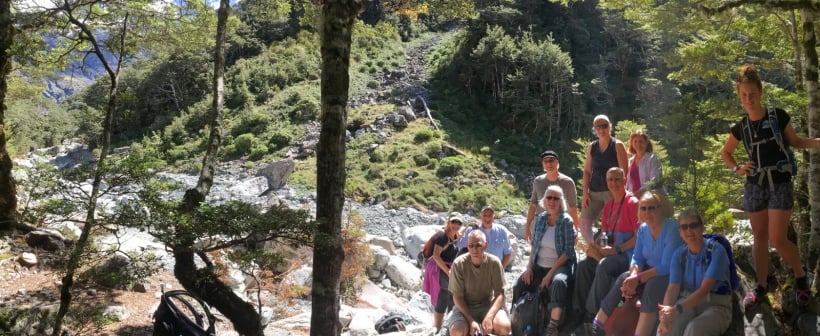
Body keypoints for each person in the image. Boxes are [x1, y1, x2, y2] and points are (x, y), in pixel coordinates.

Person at [719, 64, 820, 307]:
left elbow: (795, 141)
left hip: (780, 183)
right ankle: (761, 286)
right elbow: (726, 152)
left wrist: (817, 143)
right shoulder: (741, 127)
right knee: (759, 238)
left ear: (760, 92)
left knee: (777, 238)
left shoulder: (777, 116)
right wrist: (737, 169)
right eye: (743, 94)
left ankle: (800, 278)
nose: (748, 99)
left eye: (752, 93)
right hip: (754, 186)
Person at [585, 191, 684, 336]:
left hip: (669, 275)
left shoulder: (672, 228)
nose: (647, 212)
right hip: (646, 271)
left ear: (661, 208)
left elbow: (666, 266)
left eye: (652, 208)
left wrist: (638, 279)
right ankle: (597, 326)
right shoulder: (643, 229)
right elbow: (637, 258)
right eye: (643, 208)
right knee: (623, 278)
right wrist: (632, 275)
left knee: (651, 286)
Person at [573, 167, 638, 328]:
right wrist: (596, 246)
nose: (614, 183)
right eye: (610, 180)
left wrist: (616, 249)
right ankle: (577, 312)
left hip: (627, 254)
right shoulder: (608, 205)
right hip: (611, 251)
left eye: (617, 179)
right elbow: (605, 233)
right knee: (584, 266)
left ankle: (591, 316)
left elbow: (639, 237)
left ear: (624, 180)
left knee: (604, 266)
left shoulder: (633, 203)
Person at [657, 208, 733, 336]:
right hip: (687, 302)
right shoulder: (679, 255)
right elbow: (673, 287)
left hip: (716, 305)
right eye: (684, 227)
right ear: (680, 232)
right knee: (666, 329)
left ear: (702, 227)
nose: (689, 231)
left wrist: (677, 310)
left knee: (694, 329)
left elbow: (704, 290)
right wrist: (666, 314)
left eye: (694, 225)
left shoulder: (716, 251)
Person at [513, 185, 576, 336]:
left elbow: (568, 252)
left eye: (556, 198)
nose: (552, 201)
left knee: (558, 282)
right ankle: (516, 319)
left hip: (559, 265)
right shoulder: (541, 219)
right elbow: (534, 245)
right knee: (518, 285)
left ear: (561, 202)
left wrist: (549, 275)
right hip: (538, 264)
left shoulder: (566, 221)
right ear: (544, 200)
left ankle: (552, 326)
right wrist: (529, 268)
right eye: (549, 197)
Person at [447, 230, 511, 336]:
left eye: (478, 245)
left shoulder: (494, 262)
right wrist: (471, 320)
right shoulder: (459, 264)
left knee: (504, 327)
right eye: (471, 246)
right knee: (457, 331)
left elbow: (500, 294)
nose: (474, 249)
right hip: (465, 307)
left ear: (485, 245)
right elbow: (457, 297)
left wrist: (489, 317)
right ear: (467, 247)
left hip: (487, 305)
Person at [580, 114, 628, 247]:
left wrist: (620, 195)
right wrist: (585, 193)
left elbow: (624, 172)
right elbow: (587, 171)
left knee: (611, 225)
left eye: (604, 126)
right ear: (594, 129)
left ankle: (606, 250)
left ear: (610, 127)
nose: (601, 130)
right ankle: (593, 249)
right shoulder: (592, 147)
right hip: (594, 191)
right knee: (584, 223)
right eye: (598, 127)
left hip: (612, 191)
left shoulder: (617, 145)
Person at [524, 150, 579, 242]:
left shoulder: (568, 182)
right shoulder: (538, 181)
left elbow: (573, 207)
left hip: (561, 224)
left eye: (551, 161)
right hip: (541, 224)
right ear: (543, 164)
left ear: (557, 162)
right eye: (546, 161)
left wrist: (575, 231)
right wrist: (527, 227)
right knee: (538, 253)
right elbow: (533, 205)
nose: (549, 164)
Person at [421, 215, 463, 332]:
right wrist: (448, 272)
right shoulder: (442, 236)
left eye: (459, 223)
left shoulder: (454, 235)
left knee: (451, 295)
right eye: (453, 222)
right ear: (448, 222)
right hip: (439, 269)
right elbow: (436, 256)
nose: (456, 225)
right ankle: (438, 327)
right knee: (443, 295)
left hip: (445, 268)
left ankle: (449, 325)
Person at [457, 205, 513, 270]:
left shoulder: (502, 230)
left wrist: (501, 268)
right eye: (485, 215)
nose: (487, 218)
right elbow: (460, 246)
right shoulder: (472, 230)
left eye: (490, 215)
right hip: (476, 270)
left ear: (494, 217)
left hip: (495, 270)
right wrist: (464, 229)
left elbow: (507, 252)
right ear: (480, 216)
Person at [626, 129, 662, 196]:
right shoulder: (630, 161)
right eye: (635, 141)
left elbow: (655, 181)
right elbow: (628, 183)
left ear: (646, 142)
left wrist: (639, 192)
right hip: (633, 199)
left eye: (641, 141)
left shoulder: (653, 159)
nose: (638, 144)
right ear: (632, 144)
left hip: (649, 198)